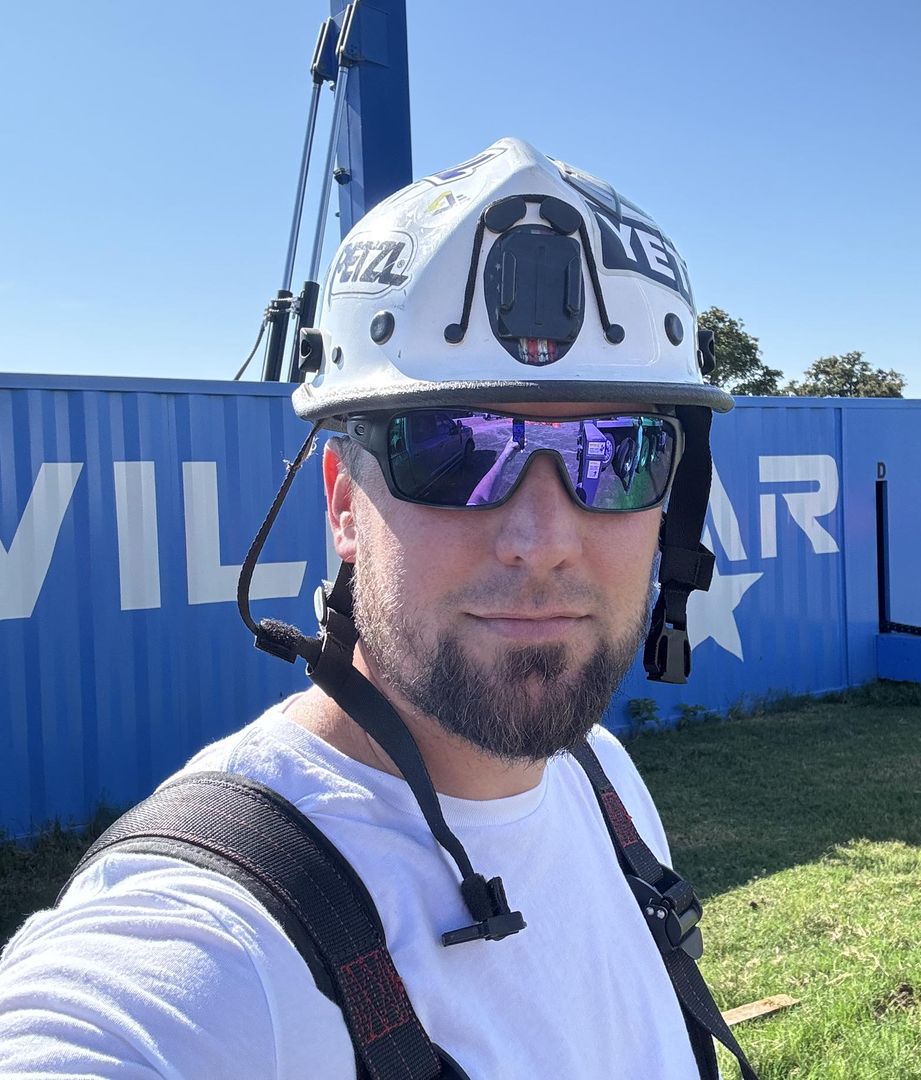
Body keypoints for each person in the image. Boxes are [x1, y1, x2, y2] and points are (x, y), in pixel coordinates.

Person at [0, 138, 750, 1079]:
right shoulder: (222, 938)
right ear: (345, 505)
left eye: (617, 453)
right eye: (454, 450)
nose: (544, 538)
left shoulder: (603, 784)